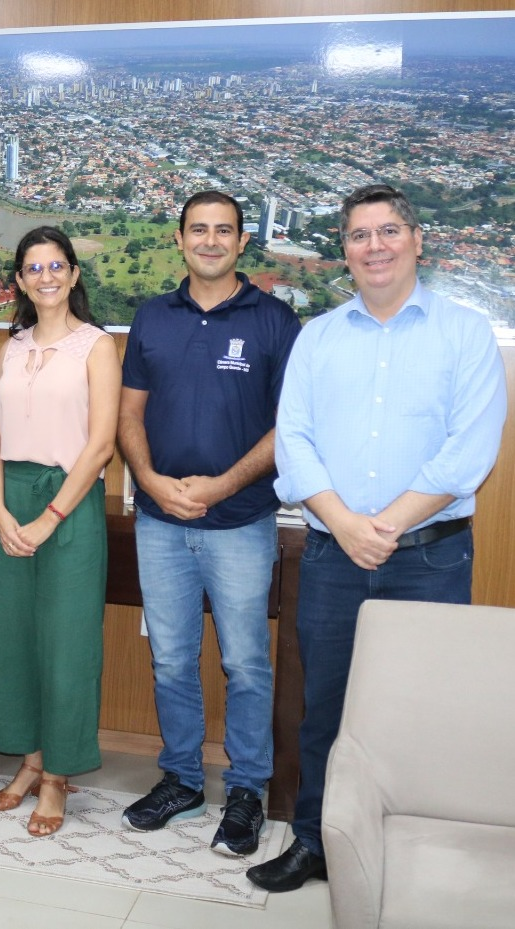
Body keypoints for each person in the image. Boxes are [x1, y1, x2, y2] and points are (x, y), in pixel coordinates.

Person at [247, 183, 507, 891]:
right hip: (333, 555)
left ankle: (415, 853)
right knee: (323, 708)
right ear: (344, 251)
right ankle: (313, 840)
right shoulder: (319, 339)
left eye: (388, 230)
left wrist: (381, 527)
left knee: (422, 713)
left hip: (429, 559)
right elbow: (293, 444)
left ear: (417, 240)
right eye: (359, 235)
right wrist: (345, 525)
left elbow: (466, 457)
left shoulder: (463, 336)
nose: (374, 246)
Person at [118, 191, 301, 855]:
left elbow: (289, 426)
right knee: (169, 657)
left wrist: (222, 484)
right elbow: (129, 414)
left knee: (245, 662)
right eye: (198, 229)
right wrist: (151, 482)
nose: (210, 240)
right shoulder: (151, 317)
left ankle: (247, 788)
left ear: (241, 241)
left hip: (241, 521)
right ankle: (183, 778)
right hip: (159, 520)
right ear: (179, 238)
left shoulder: (274, 320)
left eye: (223, 230)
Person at [0, 227, 120, 836]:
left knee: (66, 646)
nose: (45, 277)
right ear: (19, 280)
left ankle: (59, 775)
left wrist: (47, 518)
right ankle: (30, 762)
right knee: (12, 641)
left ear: (74, 275)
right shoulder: (9, 346)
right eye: (32, 268)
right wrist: (0, 510)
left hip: (69, 504)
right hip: (9, 501)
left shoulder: (97, 347)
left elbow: (101, 445)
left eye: (56, 265)